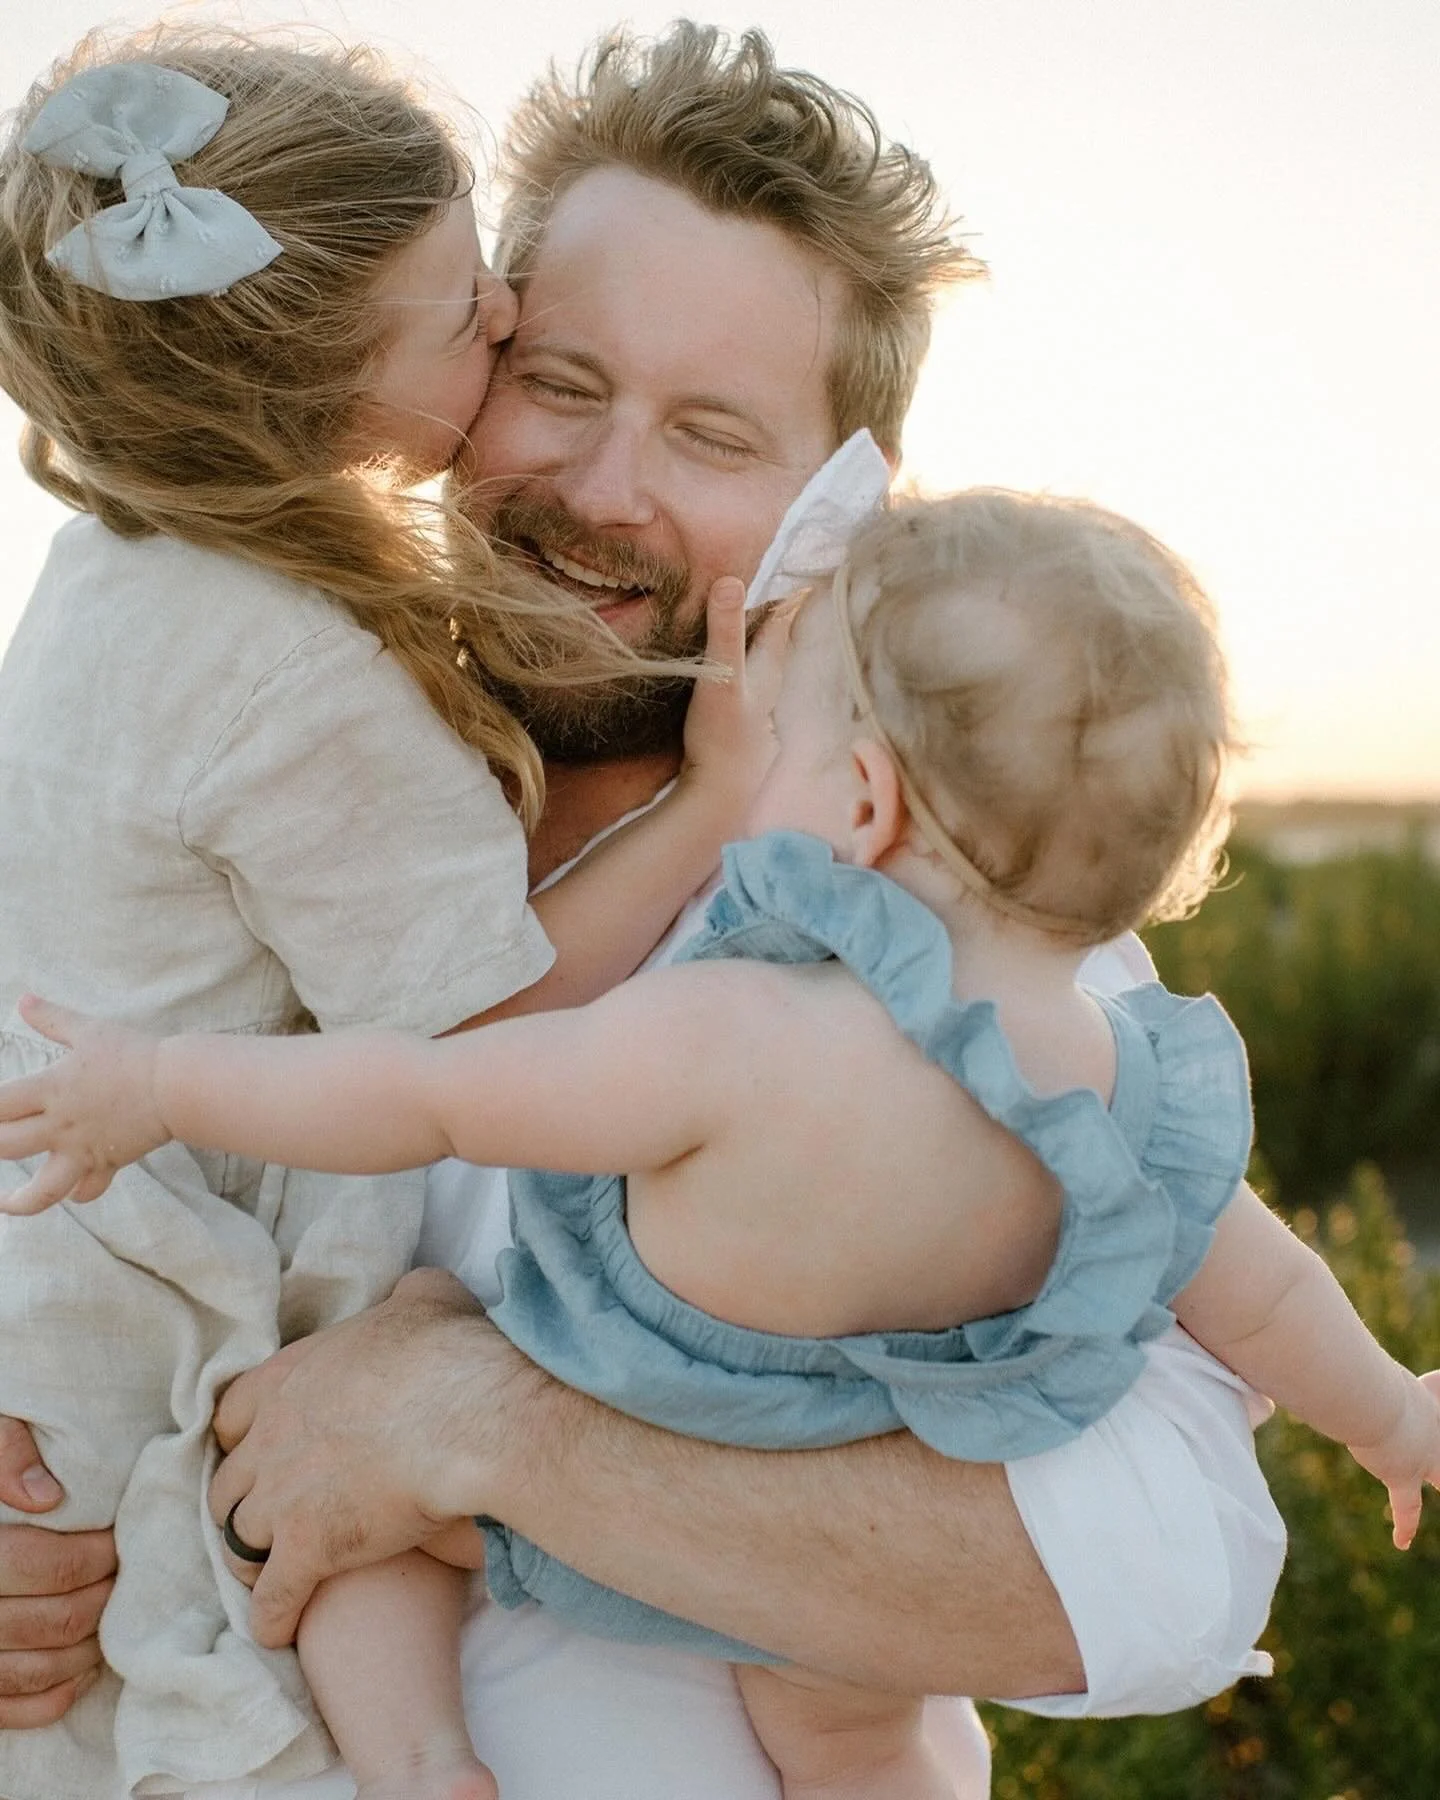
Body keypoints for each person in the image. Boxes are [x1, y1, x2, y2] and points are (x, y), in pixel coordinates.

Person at [0, 25, 1285, 1800]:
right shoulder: (207, 788)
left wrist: (496, 1436)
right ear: (454, 367)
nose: (605, 493)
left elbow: (1183, 1566)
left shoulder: (939, 922)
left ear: (844, 502)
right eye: (564, 381)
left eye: (710, 433)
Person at [7, 488, 1439, 1800]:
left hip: (613, 1444)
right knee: (859, 1740)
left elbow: (423, 1094)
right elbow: (1268, 1297)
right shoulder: (1125, 1091)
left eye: (785, 748)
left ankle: (424, 1764)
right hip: (823, 1546)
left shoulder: (737, 1031)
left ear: (861, 803)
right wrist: (1390, 1420)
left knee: (364, 1476)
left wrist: (166, 1086)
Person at [0, 26, 780, 1800]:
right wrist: (720, 803)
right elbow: (490, 1030)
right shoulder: (298, 678)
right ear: (318, 398)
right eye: (466, 316)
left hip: (53, 1259)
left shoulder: (102, 576)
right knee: (194, 1681)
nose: (502, 315)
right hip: (153, 1294)